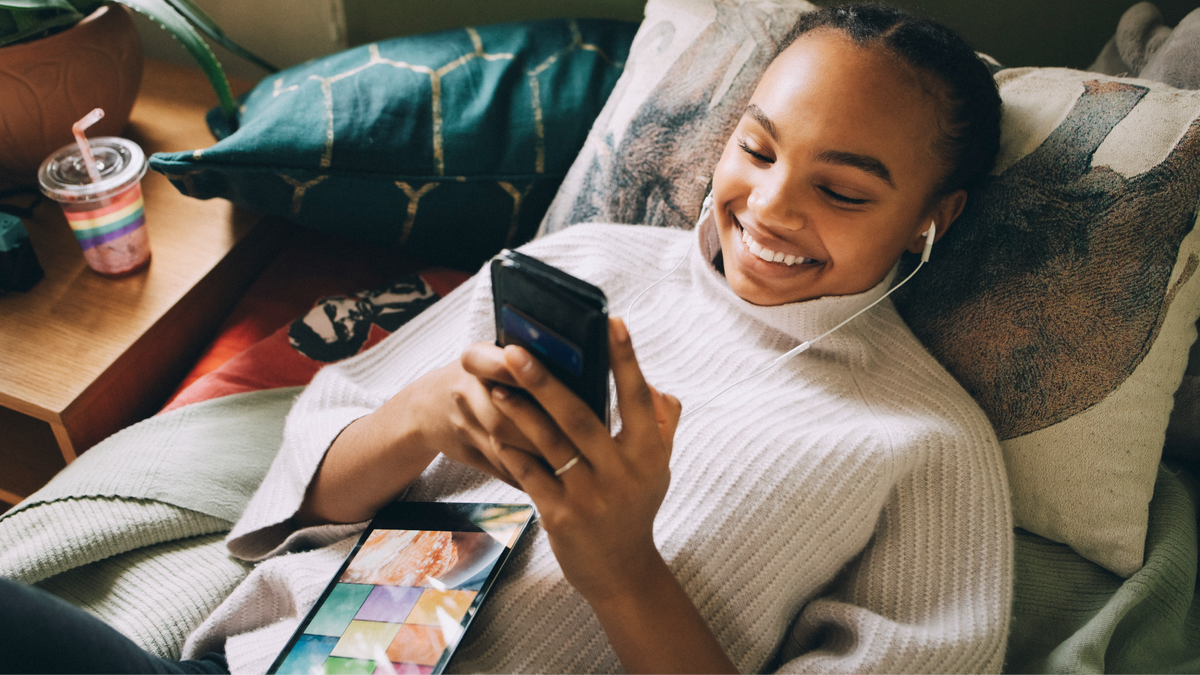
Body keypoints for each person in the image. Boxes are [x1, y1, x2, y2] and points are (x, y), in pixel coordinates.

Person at [3, 4, 1012, 674]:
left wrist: (621, 568)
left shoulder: (923, 445)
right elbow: (295, 504)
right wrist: (416, 416)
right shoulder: (588, 264)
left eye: (841, 190)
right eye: (755, 147)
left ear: (938, 216)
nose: (770, 205)